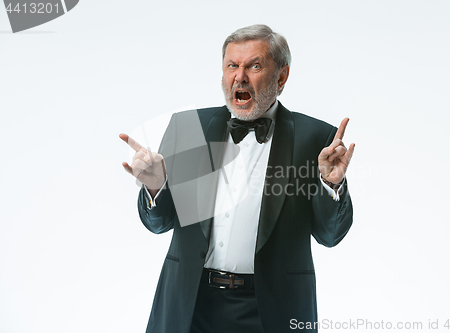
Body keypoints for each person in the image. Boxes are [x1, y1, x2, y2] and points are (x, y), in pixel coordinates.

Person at [120, 24, 354, 333]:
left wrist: (331, 185)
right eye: (232, 65)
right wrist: (154, 185)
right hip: (190, 305)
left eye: (254, 66)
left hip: (273, 310)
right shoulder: (192, 129)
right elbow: (158, 224)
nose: (239, 76)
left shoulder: (314, 139)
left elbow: (330, 235)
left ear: (281, 77)